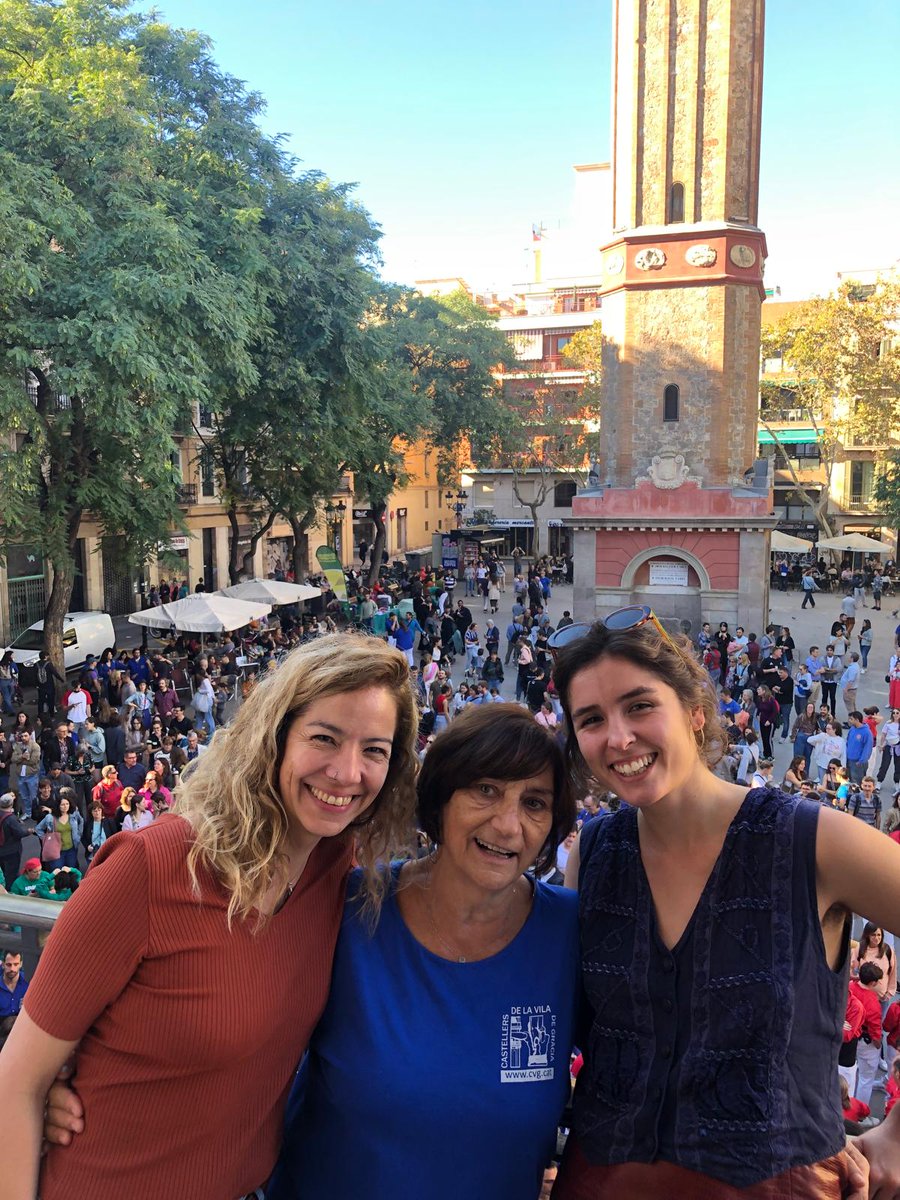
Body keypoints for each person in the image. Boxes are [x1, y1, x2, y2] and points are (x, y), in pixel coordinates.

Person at [0, 634, 419, 1200]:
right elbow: (17, 1084)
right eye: (325, 737)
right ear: (274, 738)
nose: (347, 773)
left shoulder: (337, 873)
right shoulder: (151, 870)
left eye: (374, 749)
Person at [550, 612, 899, 1197]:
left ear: (694, 711)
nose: (617, 737)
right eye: (591, 720)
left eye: (639, 706)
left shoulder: (813, 841)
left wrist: (897, 1134)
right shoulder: (596, 852)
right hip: (600, 1180)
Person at [267, 703, 578, 1200]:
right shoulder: (348, 909)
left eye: (535, 803)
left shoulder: (572, 932)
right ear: (440, 797)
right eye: (485, 790)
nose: (507, 825)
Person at [35, 794, 83, 871]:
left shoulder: (73, 814)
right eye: (63, 804)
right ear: (58, 806)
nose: (65, 806)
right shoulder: (50, 817)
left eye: (67, 804)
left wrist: (79, 834)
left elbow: (81, 821)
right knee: (58, 872)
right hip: (56, 850)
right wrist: (45, 839)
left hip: (71, 849)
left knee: (71, 870)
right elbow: (38, 829)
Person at [0, 793, 29, 890]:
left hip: (1, 850)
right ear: (11, 804)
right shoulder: (11, 819)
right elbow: (19, 833)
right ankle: (10, 893)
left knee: (2, 873)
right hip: (11, 852)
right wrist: (29, 831)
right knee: (11, 875)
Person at [0, 951, 28, 1022]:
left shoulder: (29, 981)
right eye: (9, 965)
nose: (12, 969)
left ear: (21, 964)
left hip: (23, 1022)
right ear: (3, 965)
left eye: (16, 964)